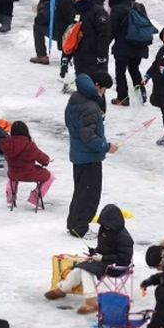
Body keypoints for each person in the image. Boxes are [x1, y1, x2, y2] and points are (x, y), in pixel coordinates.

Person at [47, 203, 132, 315]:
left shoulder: (124, 237)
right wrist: (95, 252)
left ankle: (91, 300)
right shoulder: (104, 230)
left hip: (117, 266)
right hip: (103, 262)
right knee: (79, 268)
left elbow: (124, 259)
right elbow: (104, 248)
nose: (105, 226)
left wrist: (103, 258)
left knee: (87, 271)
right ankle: (62, 289)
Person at [64, 71, 115, 238]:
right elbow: (88, 136)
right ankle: (80, 228)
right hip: (89, 157)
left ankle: (74, 224)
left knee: (80, 191)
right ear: (97, 86)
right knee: (89, 194)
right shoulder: (90, 107)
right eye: (104, 89)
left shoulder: (76, 98)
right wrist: (106, 146)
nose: (104, 93)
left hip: (78, 155)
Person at [108, 0, 148, 106]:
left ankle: (123, 97)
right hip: (139, 46)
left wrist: (105, 44)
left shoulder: (117, 9)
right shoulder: (139, 7)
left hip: (123, 48)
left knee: (120, 72)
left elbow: (112, 30)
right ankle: (141, 94)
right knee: (134, 69)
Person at [0, 120, 53, 207]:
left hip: (14, 173)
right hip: (30, 174)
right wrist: (47, 161)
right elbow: (43, 159)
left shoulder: (7, 144)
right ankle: (34, 198)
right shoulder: (29, 145)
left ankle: (10, 199)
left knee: (11, 176)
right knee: (50, 176)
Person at [30, 0, 77, 65]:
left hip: (62, 33)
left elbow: (40, 20)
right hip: (67, 31)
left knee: (37, 27)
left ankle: (41, 56)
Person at [68, 0, 111, 80]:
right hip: (80, 56)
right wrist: (66, 56)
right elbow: (70, 34)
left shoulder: (98, 11)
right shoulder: (76, 11)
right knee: (82, 87)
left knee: (96, 88)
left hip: (94, 57)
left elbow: (104, 35)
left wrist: (101, 56)